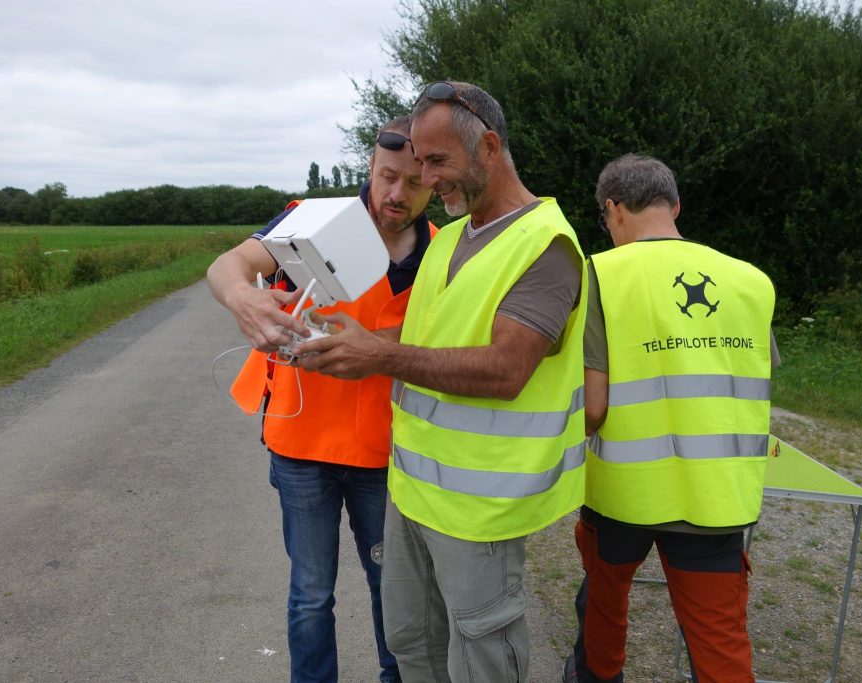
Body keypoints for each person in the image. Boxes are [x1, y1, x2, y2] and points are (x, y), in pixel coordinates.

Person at [296, 81, 587, 683]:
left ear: (487, 145)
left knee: (482, 655)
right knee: (412, 640)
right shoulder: (450, 236)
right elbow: (427, 338)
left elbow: (507, 369)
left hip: (481, 509)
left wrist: (378, 356)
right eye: (417, 162)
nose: (425, 179)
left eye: (436, 161)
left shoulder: (547, 246)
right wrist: (356, 337)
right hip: (412, 493)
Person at [206, 116, 434, 683]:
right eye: (386, 177)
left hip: (388, 452)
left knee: (395, 594)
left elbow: (455, 337)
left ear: (435, 182)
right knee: (310, 596)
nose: (395, 194)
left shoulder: (445, 249)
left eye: (413, 182)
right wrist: (243, 299)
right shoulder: (310, 220)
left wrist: (380, 345)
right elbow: (227, 265)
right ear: (370, 167)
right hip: (302, 445)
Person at [564, 153, 778, 683]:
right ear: (676, 205)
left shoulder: (600, 274)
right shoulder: (750, 280)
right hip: (718, 495)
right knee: (720, 643)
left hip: (623, 494)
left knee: (604, 614)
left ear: (612, 210)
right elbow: (753, 369)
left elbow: (593, 406)